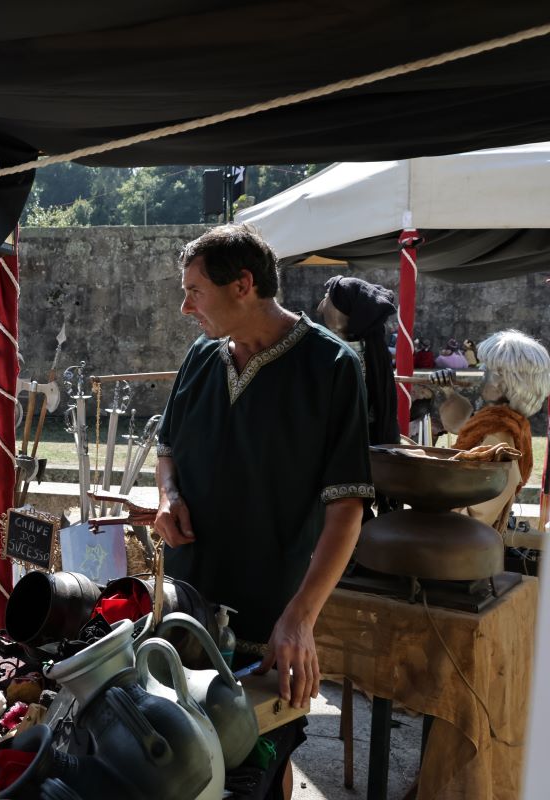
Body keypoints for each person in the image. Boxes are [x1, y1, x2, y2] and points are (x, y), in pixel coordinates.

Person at [153, 224, 373, 800]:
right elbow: (167, 451)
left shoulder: (331, 366)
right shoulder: (201, 357)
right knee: (182, 774)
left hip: (270, 626)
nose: (184, 306)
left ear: (243, 285)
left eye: (195, 291)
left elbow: (346, 507)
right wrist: (168, 495)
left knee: (258, 776)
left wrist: (300, 616)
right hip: (185, 613)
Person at [432, 329, 550, 531]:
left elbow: (479, 515)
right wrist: (449, 391)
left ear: (504, 382)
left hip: (464, 541)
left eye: (488, 369)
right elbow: (467, 428)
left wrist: (441, 519)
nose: (483, 374)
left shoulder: (501, 430)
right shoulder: (500, 422)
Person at [317, 275, 400, 446]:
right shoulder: (368, 348)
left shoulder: (348, 353)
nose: (321, 305)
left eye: (327, 296)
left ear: (345, 310)